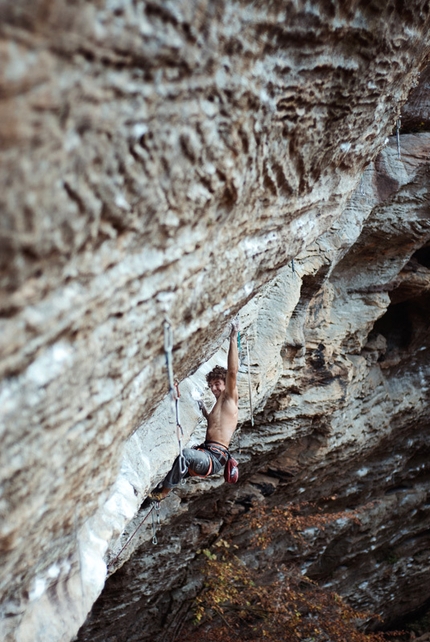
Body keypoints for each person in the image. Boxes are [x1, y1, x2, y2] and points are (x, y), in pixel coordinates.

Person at [146, 319, 239, 504]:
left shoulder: (230, 399)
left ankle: (162, 494)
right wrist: (201, 406)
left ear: (225, 383)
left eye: (217, 384)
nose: (214, 389)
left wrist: (233, 338)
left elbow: (232, 372)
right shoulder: (216, 407)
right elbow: (213, 422)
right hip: (207, 452)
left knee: (186, 456)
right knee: (175, 465)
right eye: (211, 386)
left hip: (213, 458)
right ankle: (150, 499)